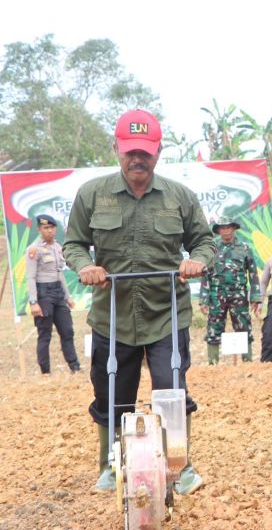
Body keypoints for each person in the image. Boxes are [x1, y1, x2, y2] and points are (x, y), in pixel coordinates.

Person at [63, 109, 214, 494]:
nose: (137, 159)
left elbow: (204, 241)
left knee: (171, 389)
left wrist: (197, 261)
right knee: (112, 391)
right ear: (116, 148)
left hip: (166, 312)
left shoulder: (179, 196)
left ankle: (180, 467)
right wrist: (85, 266)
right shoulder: (92, 194)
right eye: (130, 151)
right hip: (111, 314)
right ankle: (111, 465)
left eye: (145, 152)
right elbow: (74, 244)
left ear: (158, 151)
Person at [26, 214, 81, 375]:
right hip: (43, 293)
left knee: (67, 331)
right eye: (46, 228)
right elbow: (31, 277)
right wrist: (33, 302)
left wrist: (67, 296)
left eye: (52, 227)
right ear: (40, 229)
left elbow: (60, 274)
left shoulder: (57, 247)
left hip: (58, 291)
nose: (49, 231)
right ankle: (46, 372)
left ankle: (75, 367)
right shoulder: (33, 249)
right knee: (45, 334)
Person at [200, 220, 261, 363]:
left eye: (228, 228)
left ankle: (247, 361)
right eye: (222, 228)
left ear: (234, 229)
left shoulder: (244, 248)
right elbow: (205, 275)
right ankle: (213, 362)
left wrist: (255, 297)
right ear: (218, 231)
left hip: (238, 294)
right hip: (216, 295)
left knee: (243, 326)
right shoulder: (212, 248)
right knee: (214, 327)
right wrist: (204, 299)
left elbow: (253, 274)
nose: (226, 231)